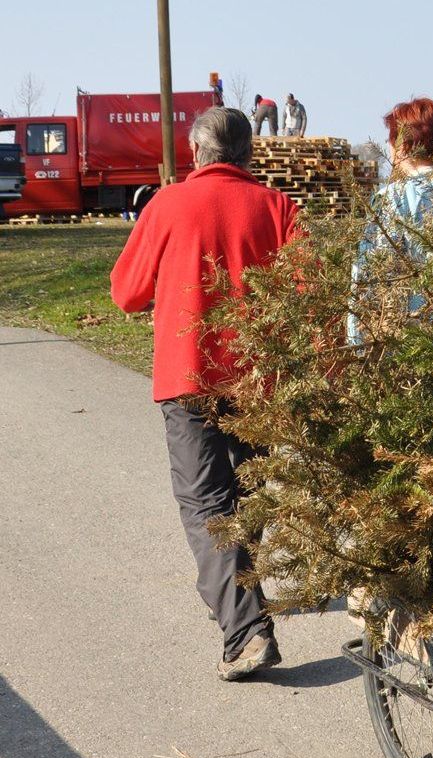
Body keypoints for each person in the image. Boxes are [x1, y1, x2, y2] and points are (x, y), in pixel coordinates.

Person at [110, 106, 300, 680]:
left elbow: (125, 293)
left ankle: (245, 631)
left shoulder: (165, 205)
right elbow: (308, 290)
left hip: (187, 375)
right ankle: (242, 608)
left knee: (204, 505)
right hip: (258, 379)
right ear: (247, 154)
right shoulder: (277, 207)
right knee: (242, 501)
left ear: (197, 153)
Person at [345, 97, 433, 626]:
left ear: (399, 145)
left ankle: (397, 578)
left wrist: (358, 346)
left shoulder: (393, 202)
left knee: (399, 464)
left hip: (404, 353)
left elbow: (366, 278)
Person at [348, 96, 433, 345]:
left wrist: (357, 342)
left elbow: (373, 272)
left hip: (408, 341)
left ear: (404, 143)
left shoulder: (393, 198)